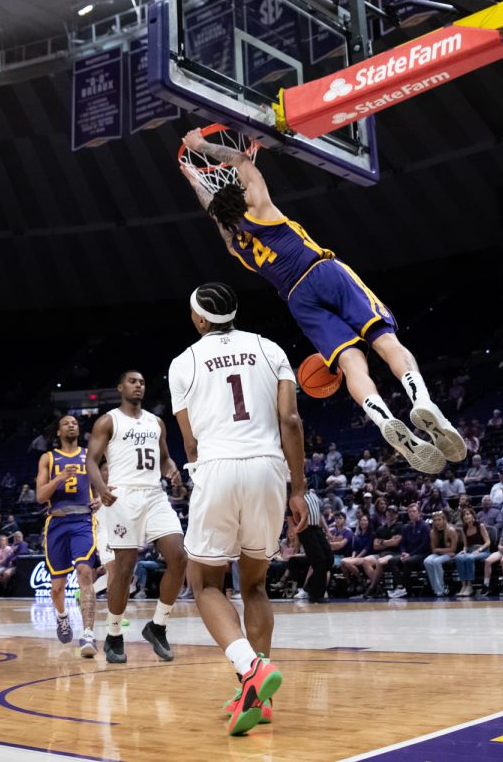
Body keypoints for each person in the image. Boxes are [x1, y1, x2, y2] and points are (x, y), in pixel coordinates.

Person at [180, 131, 464, 474]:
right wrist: (200, 148)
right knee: (385, 339)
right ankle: (421, 399)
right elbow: (239, 160)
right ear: (240, 192)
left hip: (297, 298)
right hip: (323, 272)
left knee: (349, 362)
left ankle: (382, 417)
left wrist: (196, 180)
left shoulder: (233, 242)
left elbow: (214, 212)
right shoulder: (259, 206)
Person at [168, 282, 308, 735]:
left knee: (204, 580)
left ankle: (251, 669)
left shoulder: (183, 362)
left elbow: (189, 441)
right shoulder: (269, 349)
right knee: (255, 585)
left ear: (201, 319)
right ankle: (256, 695)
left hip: (217, 466)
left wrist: (202, 476)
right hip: (269, 469)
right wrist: (298, 489)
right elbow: (290, 421)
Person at [87, 370, 188, 664]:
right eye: (133, 381)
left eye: (143, 382)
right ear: (120, 387)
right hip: (123, 496)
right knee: (125, 568)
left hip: (154, 494)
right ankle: (114, 635)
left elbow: (165, 456)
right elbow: (91, 461)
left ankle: (157, 626)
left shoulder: (156, 422)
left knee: (179, 556)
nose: (139, 385)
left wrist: (172, 470)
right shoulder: (108, 420)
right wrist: (101, 488)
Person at [35, 415, 100, 657]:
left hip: (84, 520)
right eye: (66, 423)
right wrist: (60, 478)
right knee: (57, 587)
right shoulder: (48, 458)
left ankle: (88, 635)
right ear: (59, 432)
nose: (72, 425)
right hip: (57, 522)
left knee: (85, 572)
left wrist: (101, 498)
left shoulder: (89, 454)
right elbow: (40, 496)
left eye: (75, 422)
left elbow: (104, 482)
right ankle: (62, 617)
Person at [385, 502, 430, 599]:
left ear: (419, 513)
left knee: (408, 561)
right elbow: (402, 543)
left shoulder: (425, 526)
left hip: (421, 553)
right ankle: (401, 586)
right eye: (409, 512)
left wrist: (410, 555)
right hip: (408, 554)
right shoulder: (406, 527)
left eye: (414, 511)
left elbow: (424, 545)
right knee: (392, 561)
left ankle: (407, 589)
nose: (411, 513)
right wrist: (403, 552)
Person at [453, 507, 491, 597]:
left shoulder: (480, 526)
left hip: (483, 551)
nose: (466, 517)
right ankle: (463, 586)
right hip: (470, 550)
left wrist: (479, 550)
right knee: (458, 557)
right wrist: (464, 550)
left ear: (473, 515)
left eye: (468, 514)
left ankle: (470, 586)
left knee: (469, 558)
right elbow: (465, 545)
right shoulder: (464, 528)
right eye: (464, 515)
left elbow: (488, 542)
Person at [421, 510, 457, 598]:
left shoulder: (451, 530)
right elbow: (433, 550)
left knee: (436, 561)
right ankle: (435, 588)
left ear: (444, 520)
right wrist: (441, 550)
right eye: (435, 520)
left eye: (439, 520)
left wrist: (439, 550)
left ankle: (441, 589)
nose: (437, 522)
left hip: (451, 555)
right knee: (427, 561)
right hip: (441, 553)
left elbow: (453, 549)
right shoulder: (432, 532)